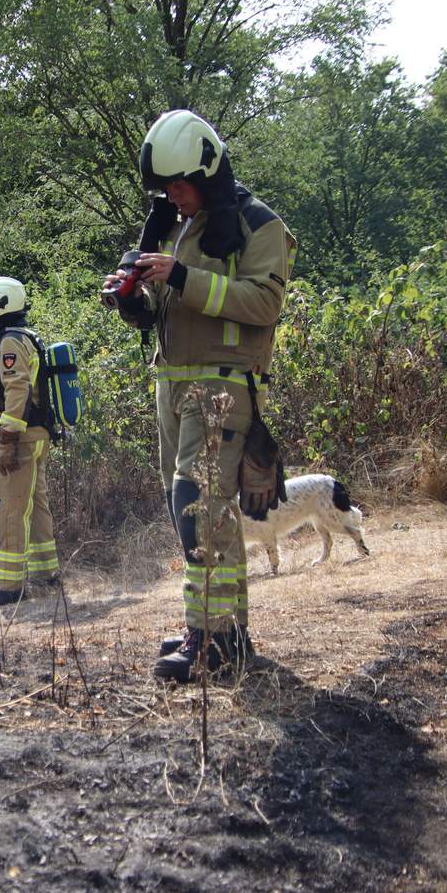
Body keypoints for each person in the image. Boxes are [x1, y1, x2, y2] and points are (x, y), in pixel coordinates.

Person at [110, 109, 294, 683]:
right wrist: (133, 298)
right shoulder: (173, 224)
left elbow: (264, 303)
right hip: (172, 382)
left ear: (209, 172)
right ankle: (217, 628)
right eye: (164, 187)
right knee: (186, 507)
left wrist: (182, 277)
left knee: (202, 506)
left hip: (222, 384)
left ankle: (217, 639)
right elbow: (165, 311)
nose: (173, 195)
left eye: (181, 184)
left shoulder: (258, 224)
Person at [0, 276, 63, 611]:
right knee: (35, 506)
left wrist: (7, 439)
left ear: (0, 306)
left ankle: (9, 587)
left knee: (8, 509)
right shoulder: (23, 336)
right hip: (35, 435)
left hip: (19, 439)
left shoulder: (8, 342)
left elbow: (18, 390)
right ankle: (45, 574)